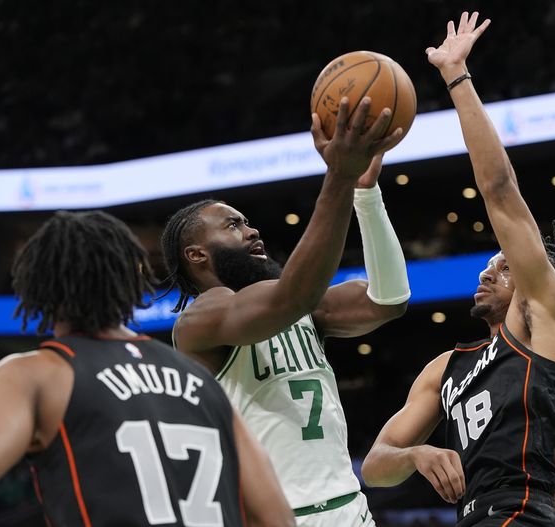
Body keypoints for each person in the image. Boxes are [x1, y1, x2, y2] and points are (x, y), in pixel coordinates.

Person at [361, 12, 555, 527]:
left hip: (524, 513)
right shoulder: (446, 368)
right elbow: (375, 465)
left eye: (504, 267)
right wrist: (416, 456)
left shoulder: (541, 323)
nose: (488, 272)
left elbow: (500, 192)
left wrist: (457, 78)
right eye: (488, 265)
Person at [0, 211, 293, 527]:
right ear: (130, 279)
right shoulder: (200, 379)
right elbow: (277, 519)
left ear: (38, 287)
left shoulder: (38, 373)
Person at [162, 97, 410, 526]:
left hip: (350, 509)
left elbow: (387, 301)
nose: (252, 229)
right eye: (233, 225)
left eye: (246, 221)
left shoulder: (303, 308)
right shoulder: (199, 321)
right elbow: (291, 296)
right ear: (197, 255)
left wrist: (365, 195)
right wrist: (339, 174)